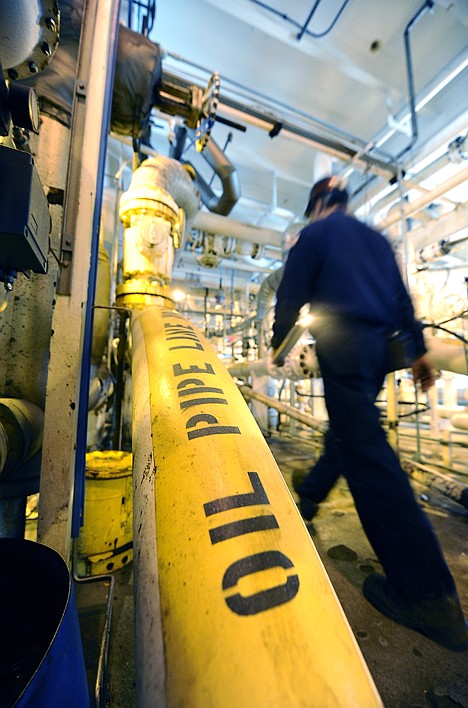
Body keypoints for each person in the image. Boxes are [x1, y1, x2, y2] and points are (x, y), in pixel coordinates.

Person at [271, 176, 468, 652]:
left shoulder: (314, 235)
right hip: (383, 349)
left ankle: (427, 592)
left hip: (342, 341)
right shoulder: (378, 240)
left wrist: (279, 346)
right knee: (352, 432)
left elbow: (290, 293)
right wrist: (419, 352)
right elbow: (404, 302)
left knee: (367, 455)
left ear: (318, 203)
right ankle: (311, 495)